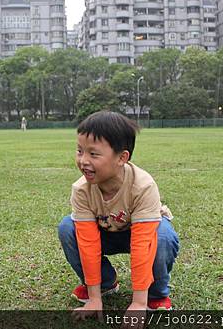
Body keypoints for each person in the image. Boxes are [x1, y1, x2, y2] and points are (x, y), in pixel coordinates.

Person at [58, 111, 179, 320]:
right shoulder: (81, 189)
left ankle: (155, 293)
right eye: (80, 151)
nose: (83, 161)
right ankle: (105, 285)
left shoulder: (143, 186)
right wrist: (94, 299)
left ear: (122, 157)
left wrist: (138, 303)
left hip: (143, 233)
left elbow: (143, 243)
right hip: (106, 233)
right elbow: (87, 242)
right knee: (68, 227)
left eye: (93, 154)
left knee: (163, 236)